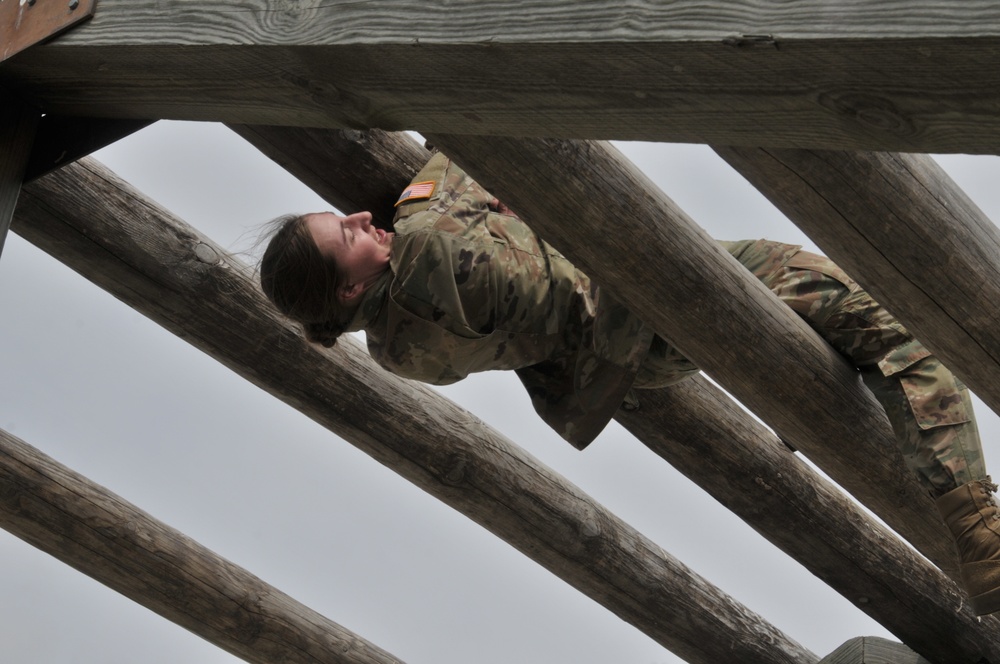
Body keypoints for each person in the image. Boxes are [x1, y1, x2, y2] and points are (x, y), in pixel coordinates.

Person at [260, 150, 1000, 616]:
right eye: (348, 234)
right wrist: (425, 184)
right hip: (647, 300)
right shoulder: (422, 245)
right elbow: (471, 146)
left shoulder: (396, 352)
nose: (364, 217)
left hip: (626, 359)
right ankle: (980, 532)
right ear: (348, 292)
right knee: (895, 327)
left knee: (829, 340)